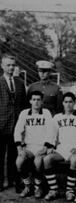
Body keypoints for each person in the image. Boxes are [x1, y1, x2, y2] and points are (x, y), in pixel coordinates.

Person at [44, 92, 76, 201]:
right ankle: (54, 190)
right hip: (61, 148)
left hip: (74, 149)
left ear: (74, 103)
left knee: (74, 160)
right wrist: (50, 146)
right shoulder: (57, 117)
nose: (68, 104)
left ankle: (70, 190)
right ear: (63, 103)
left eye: (71, 102)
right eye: (66, 102)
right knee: (47, 159)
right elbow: (52, 134)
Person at [13, 91, 54, 198]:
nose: (36, 102)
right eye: (34, 99)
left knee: (38, 162)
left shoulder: (46, 113)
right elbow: (17, 131)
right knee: (19, 162)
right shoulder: (24, 113)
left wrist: (46, 146)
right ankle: (28, 186)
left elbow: (51, 131)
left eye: (38, 100)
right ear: (30, 101)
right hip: (29, 147)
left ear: (42, 101)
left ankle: (38, 187)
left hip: (41, 146)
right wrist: (19, 147)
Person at [0, 54, 27, 191]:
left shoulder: (20, 83)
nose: (11, 68)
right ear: (2, 66)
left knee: (14, 155)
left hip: (16, 126)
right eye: (8, 65)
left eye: (13, 65)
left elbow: (24, 105)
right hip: (1, 125)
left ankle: (14, 181)